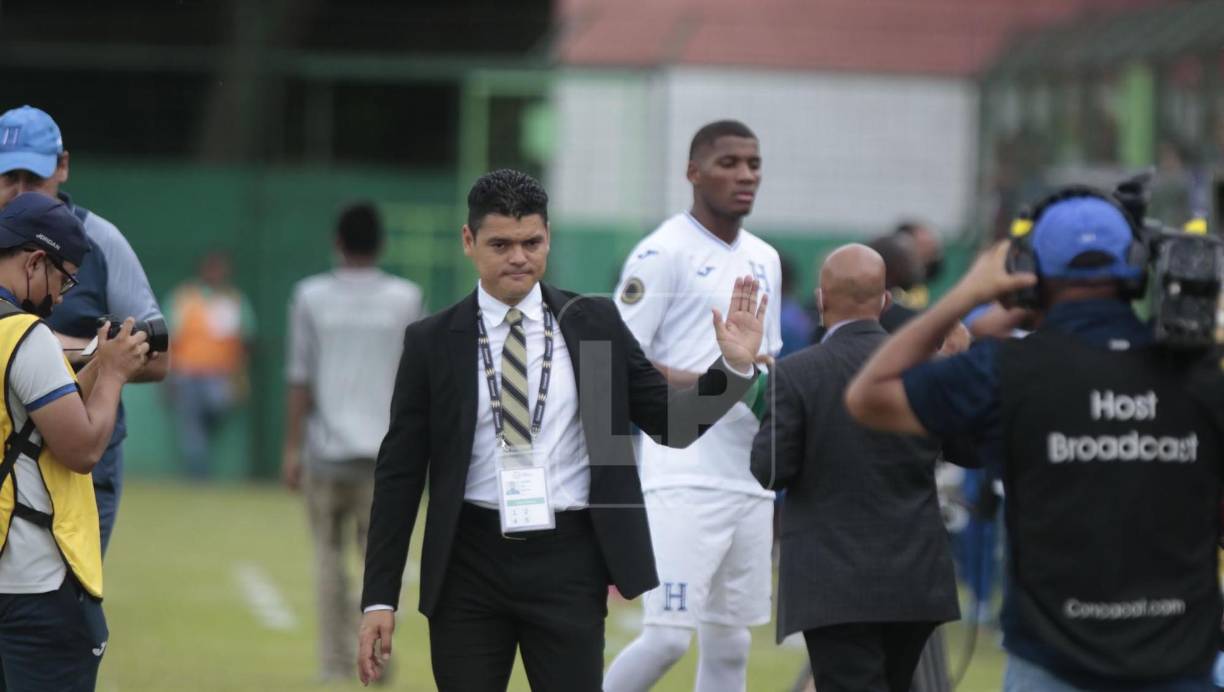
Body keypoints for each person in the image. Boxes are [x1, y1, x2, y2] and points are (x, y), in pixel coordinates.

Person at [357, 169, 767, 691]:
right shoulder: (432, 342)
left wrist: (730, 371)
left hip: (570, 561)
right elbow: (399, 478)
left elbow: (672, 423)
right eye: (500, 244)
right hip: (468, 564)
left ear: (548, 236)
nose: (518, 257)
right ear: (469, 241)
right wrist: (379, 599)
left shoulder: (594, 323)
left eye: (532, 242)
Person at [846, 189, 1224, 690]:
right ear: (1138, 265)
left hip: (1052, 664)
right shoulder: (1201, 375)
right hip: (1181, 662)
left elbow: (868, 396)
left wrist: (967, 298)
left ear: (1026, 274)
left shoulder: (1003, 371)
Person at [604, 120, 781, 692]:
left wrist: (759, 381)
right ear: (693, 172)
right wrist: (722, 379)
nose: (745, 175)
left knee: (730, 646)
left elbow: (765, 365)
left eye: (753, 163)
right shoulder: (662, 253)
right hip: (683, 475)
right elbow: (616, 357)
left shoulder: (765, 259)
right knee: (666, 639)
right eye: (729, 162)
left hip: (748, 479)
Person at [751, 244, 960, 692]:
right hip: (916, 577)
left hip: (833, 582)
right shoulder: (926, 371)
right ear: (885, 301)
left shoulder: (797, 373)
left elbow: (769, 470)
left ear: (822, 299)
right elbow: (969, 449)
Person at [0, 105, 168, 554]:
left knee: (72, 604)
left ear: (62, 167)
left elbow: (158, 353)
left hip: (84, 458)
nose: (18, 192)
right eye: (7, 177)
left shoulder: (100, 240)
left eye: (31, 178)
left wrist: (71, 353)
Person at [0, 193, 149, 691]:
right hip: (34, 586)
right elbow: (82, 448)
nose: (62, 297)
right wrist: (115, 374)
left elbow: (28, 424)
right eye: (63, 278)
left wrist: (96, 367)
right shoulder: (25, 335)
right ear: (35, 260)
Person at [281, 202, 423, 682]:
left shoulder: (309, 296)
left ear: (337, 242)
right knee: (382, 568)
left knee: (328, 566)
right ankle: (377, 661)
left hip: (325, 453)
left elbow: (299, 378)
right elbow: (415, 379)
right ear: (381, 244)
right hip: (386, 458)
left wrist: (291, 448)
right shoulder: (406, 297)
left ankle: (336, 662)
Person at [164, 251, 255, 479]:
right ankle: (199, 478)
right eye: (211, 268)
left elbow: (247, 339)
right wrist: (168, 376)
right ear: (203, 270)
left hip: (220, 375)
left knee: (216, 407)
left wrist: (240, 375)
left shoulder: (235, 300)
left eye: (220, 269)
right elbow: (170, 338)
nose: (215, 274)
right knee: (191, 430)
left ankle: (201, 464)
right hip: (186, 373)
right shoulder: (185, 298)